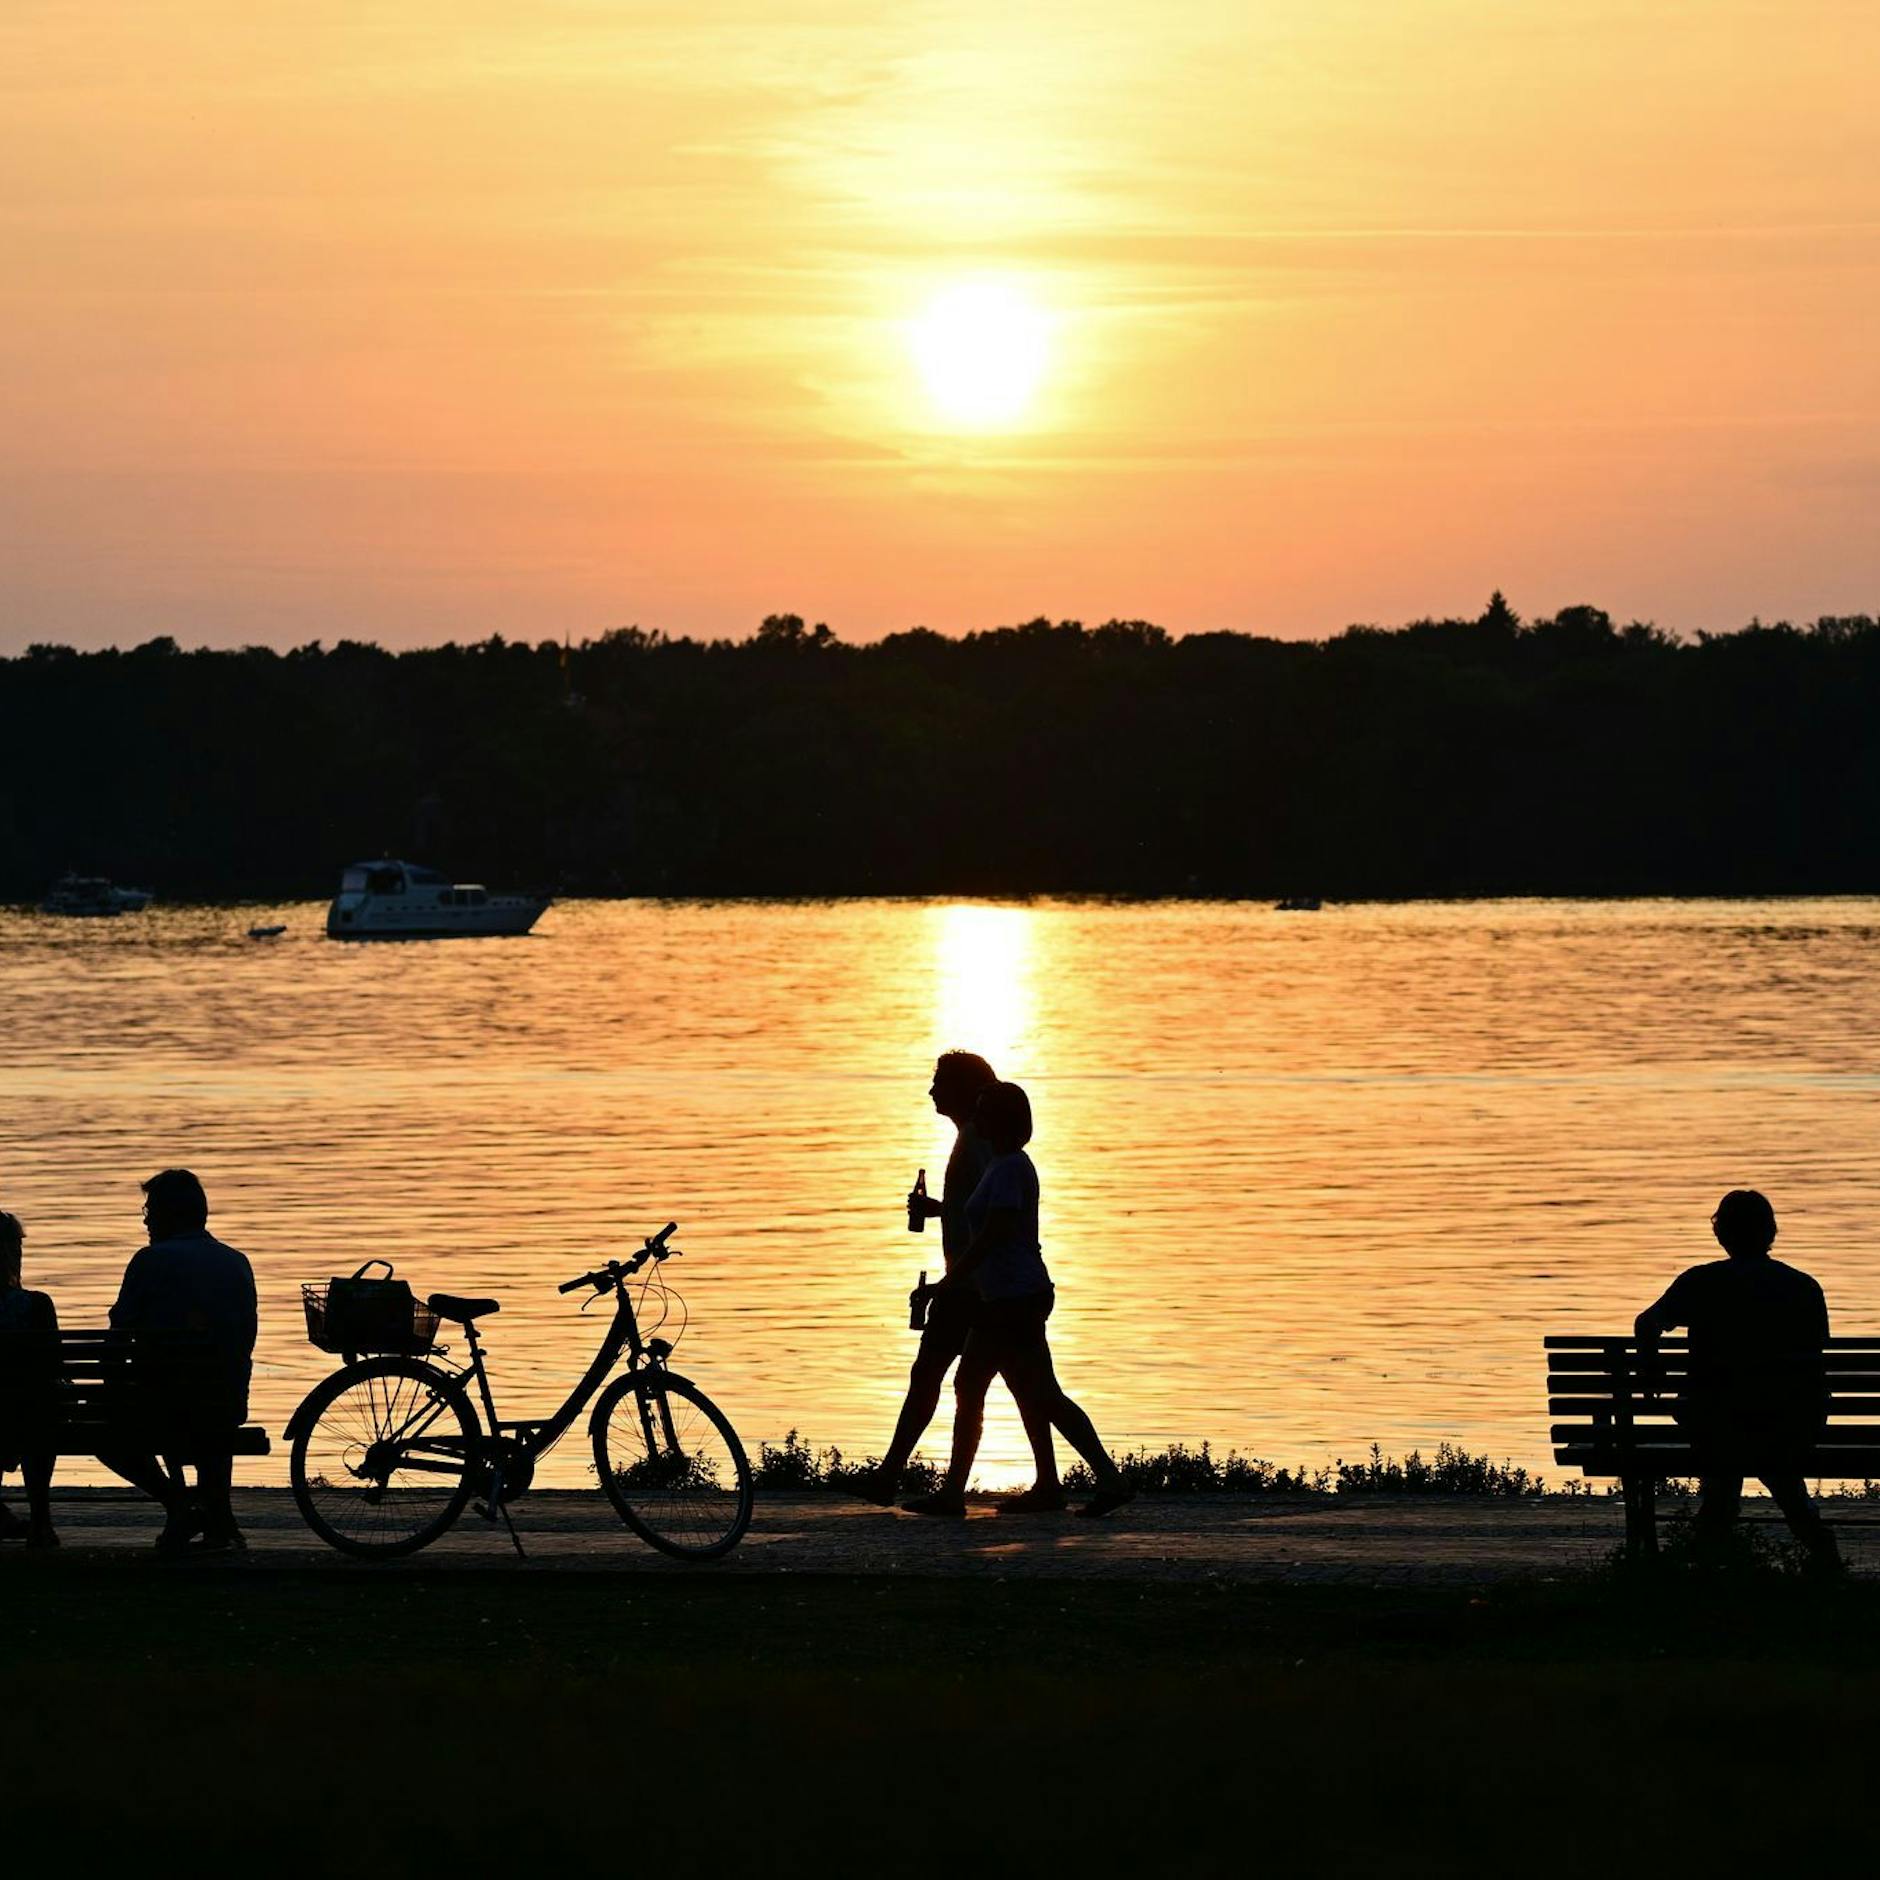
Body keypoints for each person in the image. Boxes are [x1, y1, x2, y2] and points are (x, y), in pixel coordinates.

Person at [903, 1081, 1133, 1520]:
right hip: (1008, 1296)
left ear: (1003, 1121)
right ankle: (1064, 1483)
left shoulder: (1009, 1169)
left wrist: (949, 1283)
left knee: (1033, 1393)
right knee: (1006, 1388)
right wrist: (941, 1214)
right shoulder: (1004, 1165)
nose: (978, 1118)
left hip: (1014, 1299)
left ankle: (1108, 1479)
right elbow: (981, 1220)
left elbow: (996, 1232)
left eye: (985, 1111)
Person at [860, 1052, 1061, 1509]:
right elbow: (979, 1203)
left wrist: (951, 1281)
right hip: (981, 1283)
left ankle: (909, 1481)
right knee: (1018, 1382)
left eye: (939, 1083)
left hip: (975, 1286)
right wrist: (938, 1210)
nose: (931, 1091)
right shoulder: (973, 1140)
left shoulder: (978, 1141)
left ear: (967, 1091)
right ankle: (1046, 1482)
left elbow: (996, 1219)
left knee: (938, 1375)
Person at [1636, 1188, 1839, 1570]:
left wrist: (1651, 1369)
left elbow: (1647, 1324)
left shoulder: (1699, 1282)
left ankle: (1708, 1549)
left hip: (1716, 1419)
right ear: (1770, 1233)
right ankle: (1818, 1548)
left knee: (1724, 1444)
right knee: (1770, 1454)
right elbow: (1814, 1356)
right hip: (1789, 1422)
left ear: (1721, 1234)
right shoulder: (1803, 1286)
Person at [99, 1169, 258, 1554]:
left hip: (166, 1402)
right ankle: (218, 1520)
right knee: (206, 1404)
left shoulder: (151, 1261)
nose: (145, 1219)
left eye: (150, 1210)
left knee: (105, 1427)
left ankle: (179, 1504)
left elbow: (119, 1332)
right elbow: (244, 1337)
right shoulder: (236, 1262)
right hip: (226, 1399)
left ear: (169, 1215)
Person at [0, 1210, 60, 1549]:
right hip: (29, 1418)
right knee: (38, 1409)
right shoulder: (36, 1306)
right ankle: (41, 1522)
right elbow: (53, 1367)